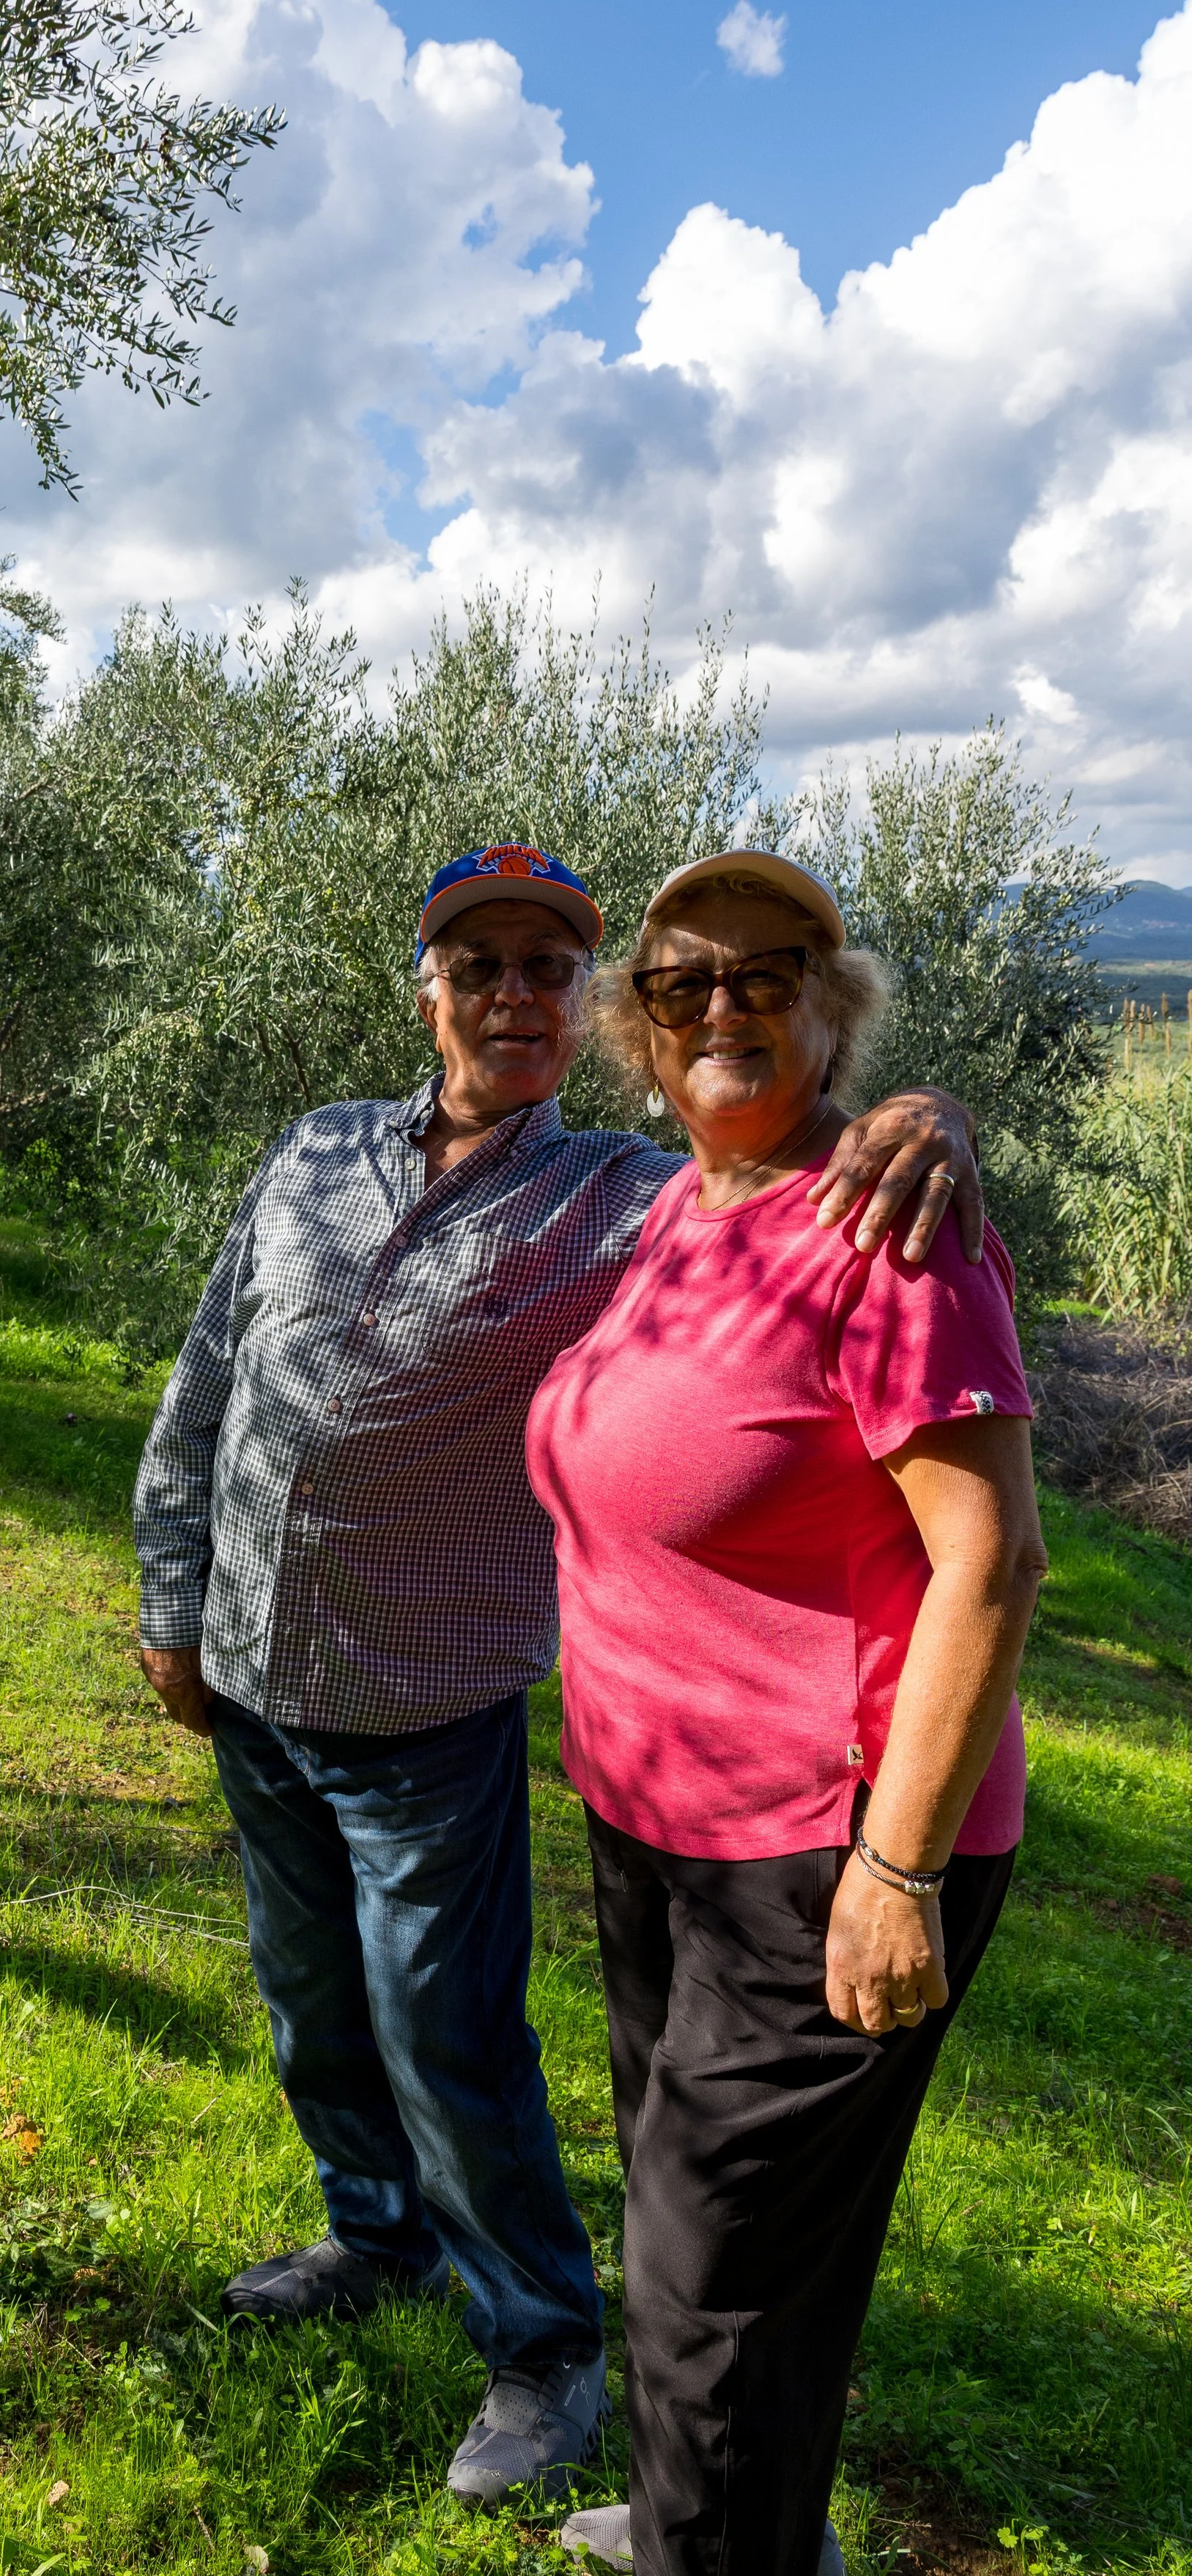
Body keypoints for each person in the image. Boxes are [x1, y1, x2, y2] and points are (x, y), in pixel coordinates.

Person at [133, 842, 985, 2510]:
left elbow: (779, 1161)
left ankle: (539, 2341)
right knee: (311, 2010)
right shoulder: (310, 1150)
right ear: (427, 990)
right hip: (249, 1669)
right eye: (479, 965)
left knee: (443, 2039)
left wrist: (931, 1110)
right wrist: (174, 1589)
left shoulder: (617, 1192)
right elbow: (211, 1369)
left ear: (583, 1007)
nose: (511, 995)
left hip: (422, 1697)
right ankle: (368, 2237)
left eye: (546, 969)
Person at [527, 853, 1045, 2576]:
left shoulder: (887, 1227)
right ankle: (724, 2518)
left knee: (709, 2266)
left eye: (770, 973)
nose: (726, 1006)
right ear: (640, 1035)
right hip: (661, 1816)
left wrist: (891, 1876)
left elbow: (990, 1562)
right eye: (683, 987)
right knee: (735, 2251)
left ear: (832, 1004)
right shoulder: (685, 1202)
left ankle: (713, 2539)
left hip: (828, 1842)